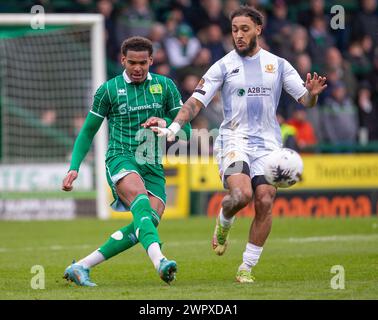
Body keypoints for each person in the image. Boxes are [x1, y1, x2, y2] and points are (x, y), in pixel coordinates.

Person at [151, 6, 327, 283]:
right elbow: (195, 101)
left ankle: (246, 266)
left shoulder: (278, 65)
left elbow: (304, 100)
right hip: (233, 139)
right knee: (242, 195)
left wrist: (313, 96)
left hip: (268, 145)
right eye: (234, 30)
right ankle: (224, 219)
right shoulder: (223, 66)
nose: (239, 35)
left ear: (259, 29)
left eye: (244, 29)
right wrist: (174, 126)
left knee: (265, 199)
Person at [62, 36, 191, 286]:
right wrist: (73, 168)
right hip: (121, 157)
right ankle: (160, 261)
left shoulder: (166, 87)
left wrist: (164, 123)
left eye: (143, 62)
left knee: (145, 223)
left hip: (152, 164)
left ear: (151, 60)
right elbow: (88, 131)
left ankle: (81, 266)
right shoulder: (108, 90)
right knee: (140, 200)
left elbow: (187, 132)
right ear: (123, 60)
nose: (138, 68)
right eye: (132, 62)